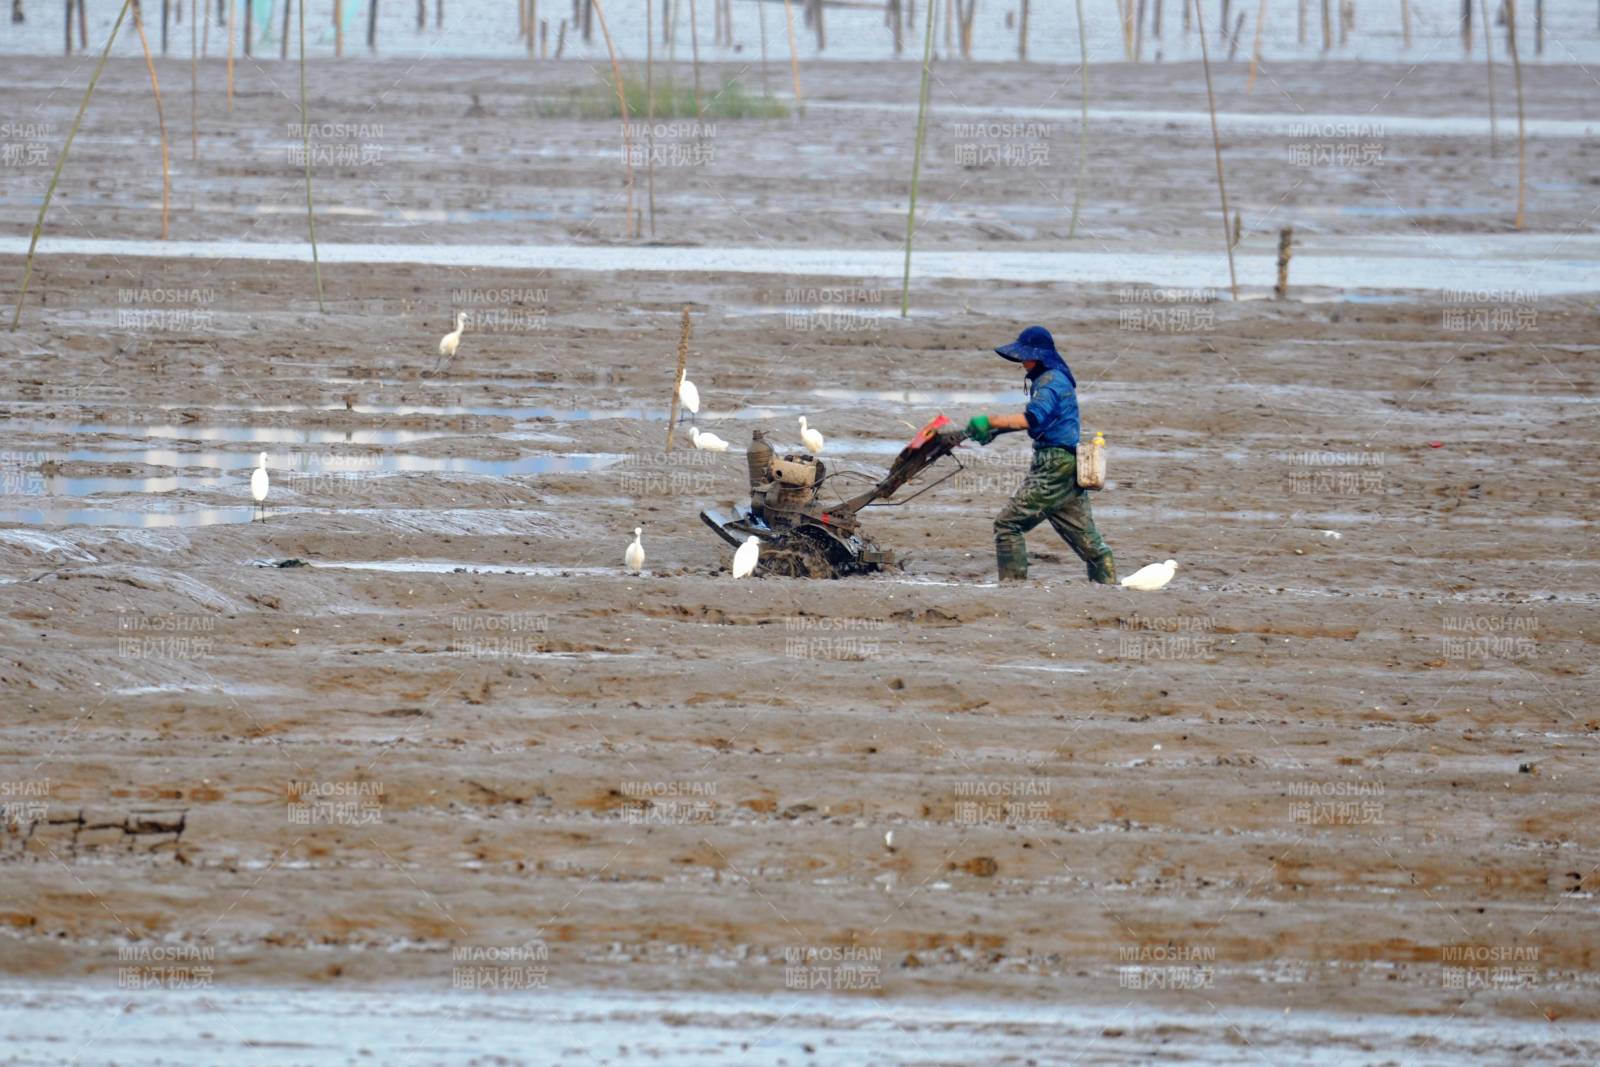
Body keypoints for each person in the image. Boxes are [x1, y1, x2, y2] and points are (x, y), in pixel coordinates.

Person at [963, 325, 1117, 585]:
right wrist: (994, 432)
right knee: (1091, 547)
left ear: (1038, 356)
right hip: (1070, 466)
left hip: (1054, 466)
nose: (1023, 362)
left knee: (1008, 525)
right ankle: (1108, 589)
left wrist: (990, 420)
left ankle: (1012, 589)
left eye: (1026, 356)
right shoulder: (1056, 378)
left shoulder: (1049, 382)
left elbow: (1032, 417)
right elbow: (1040, 424)